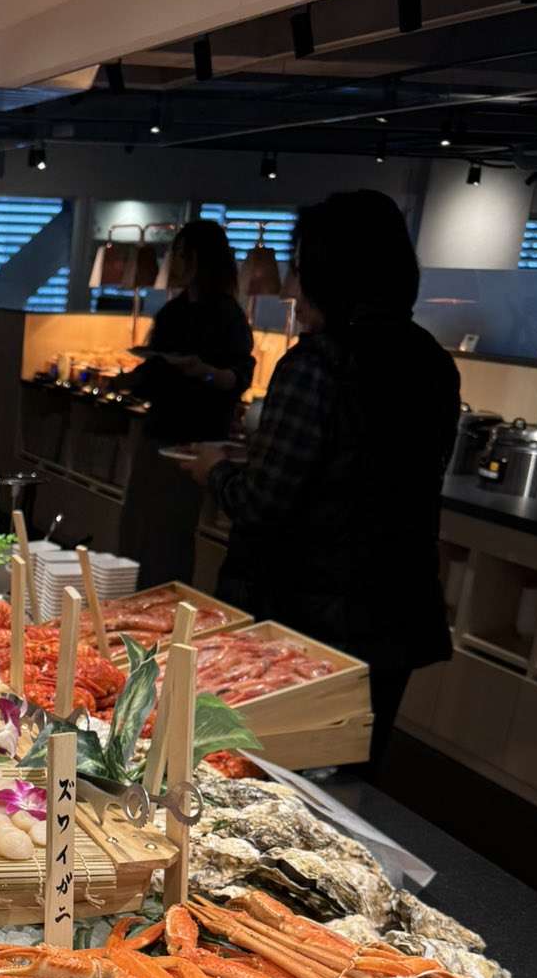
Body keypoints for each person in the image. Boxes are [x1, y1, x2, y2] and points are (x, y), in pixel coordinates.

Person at [190, 189, 460, 772]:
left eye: (301, 267)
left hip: (304, 616)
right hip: (394, 612)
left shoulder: (316, 364)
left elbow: (264, 504)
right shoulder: (432, 362)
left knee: (262, 772)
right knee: (355, 767)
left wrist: (215, 472)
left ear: (329, 274)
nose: (293, 285)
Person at [116, 218, 255, 587]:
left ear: (199, 260)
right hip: (158, 433)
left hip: (194, 443)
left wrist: (203, 372)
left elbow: (238, 377)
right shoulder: (173, 312)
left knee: (170, 536)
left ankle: (165, 609)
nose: (173, 262)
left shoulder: (227, 316)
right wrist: (130, 381)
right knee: (137, 527)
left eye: (180, 254)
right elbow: (156, 372)